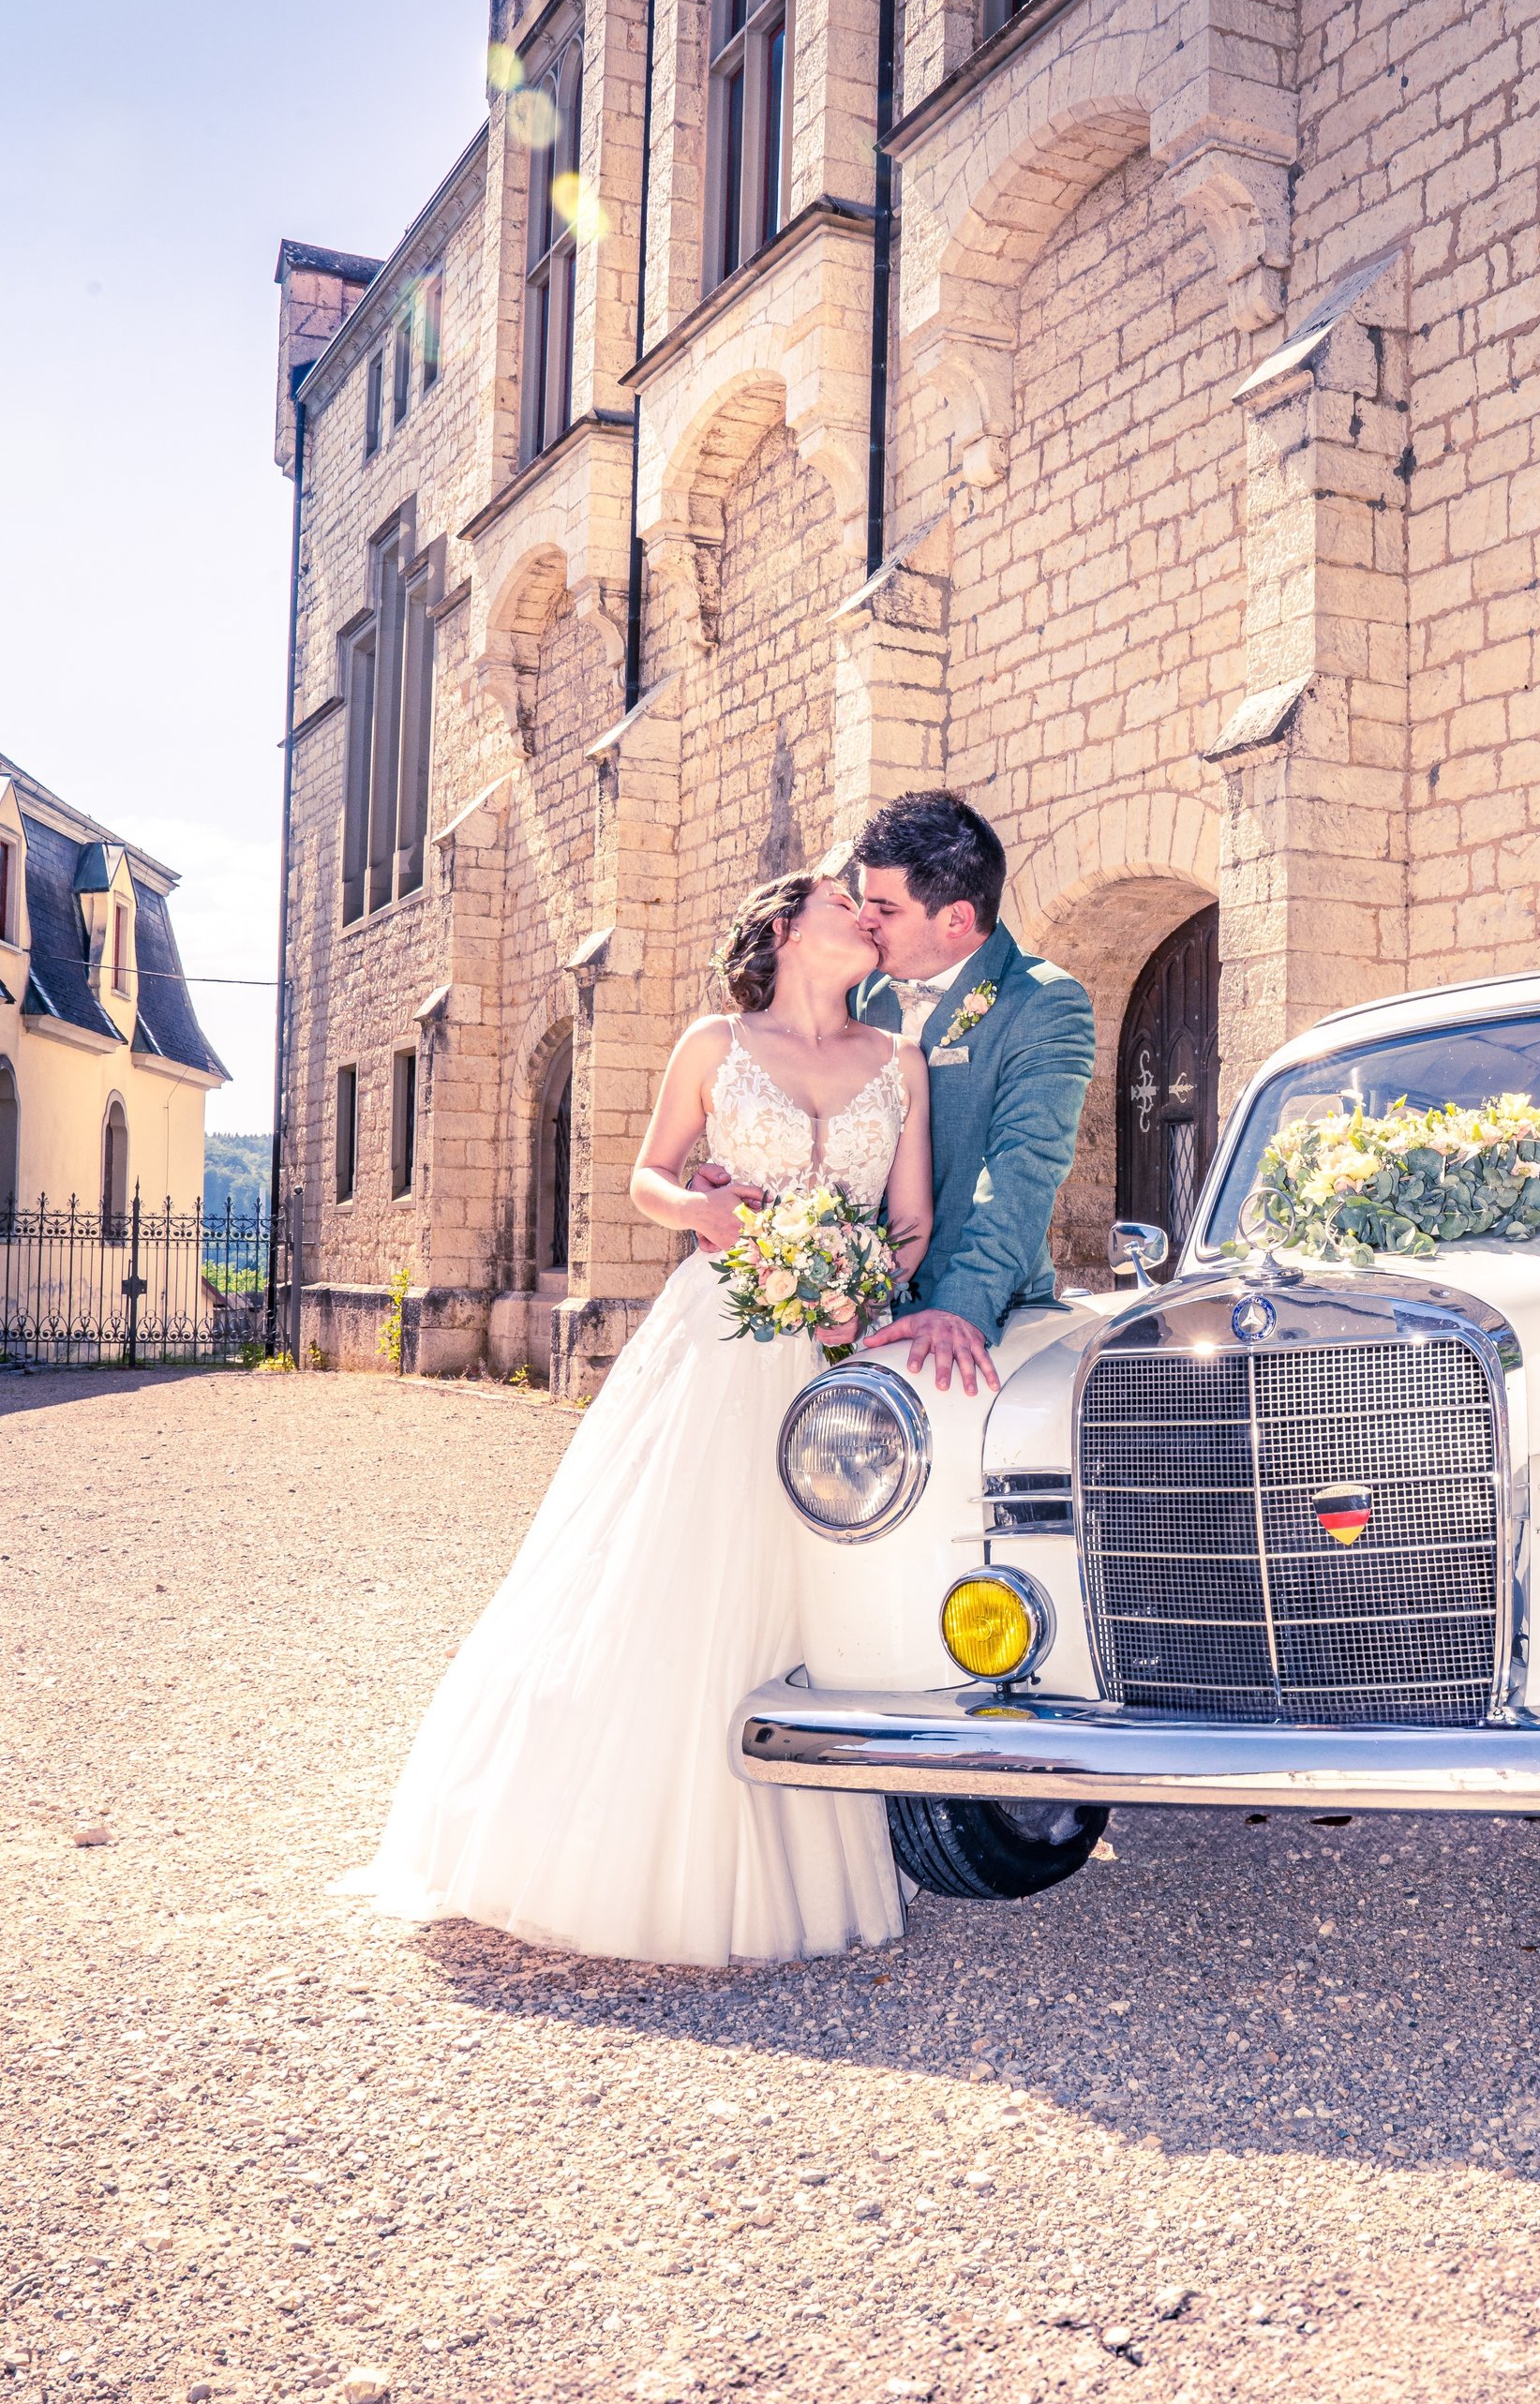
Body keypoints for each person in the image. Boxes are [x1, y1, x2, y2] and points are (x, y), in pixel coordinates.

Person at [337, 874, 926, 1967]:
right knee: (679, 1570)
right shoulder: (713, 1041)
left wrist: (861, 1285)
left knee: (822, 1578)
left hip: (842, 1342)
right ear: (788, 926)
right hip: (723, 1333)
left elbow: (911, 1217)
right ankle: (622, 1848)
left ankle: (811, 1835)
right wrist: (702, 1207)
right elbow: (646, 1179)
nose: (868, 912)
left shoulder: (899, 1064)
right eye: (847, 899)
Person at [849, 791, 1096, 1395]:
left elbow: (1023, 1169)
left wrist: (962, 1307)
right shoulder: (862, 996)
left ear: (957, 918)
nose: (863, 920)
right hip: (838, 1308)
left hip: (976, 1320)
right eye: (863, 900)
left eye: (884, 907)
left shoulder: (1043, 1003)